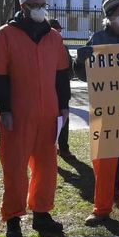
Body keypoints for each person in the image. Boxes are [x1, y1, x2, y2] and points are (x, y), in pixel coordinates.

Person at [0, 0, 71, 237]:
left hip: (48, 113)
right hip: (18, 114)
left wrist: (64, 105)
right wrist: (4, 108)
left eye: (43, 4)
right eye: (35, 5)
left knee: (46, 166)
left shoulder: (54, 38)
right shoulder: (5, 35)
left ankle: (42, 213)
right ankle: (13, 218)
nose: (41, 9)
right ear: (23, 7)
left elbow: (61, 74)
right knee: (14, 167)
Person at [74, 0, 119, 222]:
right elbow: (84, 75)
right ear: (110, 15)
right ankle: (101, 209)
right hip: (105, 110)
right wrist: (80, 61)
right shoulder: (97, 38)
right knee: (104, 162)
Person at [49, 18, 76, 160]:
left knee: (64, 120)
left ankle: (63, 148)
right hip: (49, 91)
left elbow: (69, 69)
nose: (59, 32)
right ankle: (51, 149)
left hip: (63, 90)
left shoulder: (63, 46)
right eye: (56, 30)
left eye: (59, 30)